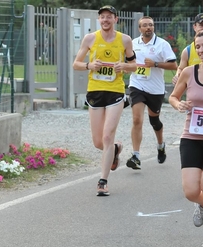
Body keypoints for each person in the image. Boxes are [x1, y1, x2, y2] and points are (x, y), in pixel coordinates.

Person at [72, 5, 136, 196]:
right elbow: (76, 64)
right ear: (99, 20)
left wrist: (123, 66)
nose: (105, 20)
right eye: (102, 17)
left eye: (109, 17)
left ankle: (103, 182)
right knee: (98, 142)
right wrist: (89, 65)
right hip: (95, 91)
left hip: (115, 91)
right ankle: (116, 149)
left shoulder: (125, 40)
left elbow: (134, 66)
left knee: (108, 136)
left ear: (115, 19)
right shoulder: (90, 38)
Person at [126, 16, 178, 170]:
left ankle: (161, 145)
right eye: (145, 25)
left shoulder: (162, 44)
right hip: (137, 85)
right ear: (139, 28)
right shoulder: (133, 44)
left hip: (155, 89)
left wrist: (155, 64)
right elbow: (128, 61)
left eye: (151, 25)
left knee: (154, 121)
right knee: (137, 120)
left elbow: (174, 65)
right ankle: (135, 155)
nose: (148, 27)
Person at [169, 31, 203, 228]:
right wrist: (178, 105)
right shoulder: (189, 72)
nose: (201, 50)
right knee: (191, 191)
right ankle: (200, 204)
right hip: (191, 137)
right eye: (197, 46)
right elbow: (173, 97)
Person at [172, 13, 203, 85]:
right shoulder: (187, 51)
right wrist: (177, 76)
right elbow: (181, 68)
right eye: (201, 25)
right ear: (194, 27)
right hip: (195, 91)